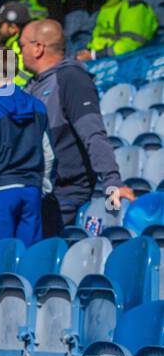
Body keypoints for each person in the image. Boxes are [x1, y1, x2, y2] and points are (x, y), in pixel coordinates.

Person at [20, 19, 135, 235]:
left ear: (38, 48)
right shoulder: (32, 87)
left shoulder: (71, 77)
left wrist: (113, 182)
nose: (19, 52)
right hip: (37, 195)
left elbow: (93, 133)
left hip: (65, 198)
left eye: (22, 46)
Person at [0, 77, 54, 249]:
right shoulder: (38, 106)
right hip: (32, 191)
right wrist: (42, 187)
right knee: (27, 262)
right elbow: (48, 154)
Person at [75, 0, 160, 59]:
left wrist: (94, 55)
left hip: (124, 61)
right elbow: (97, 39)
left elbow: (131, 43)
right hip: (103, 59)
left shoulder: (134, 6)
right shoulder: (106, 7)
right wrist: (88, 52)